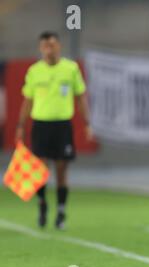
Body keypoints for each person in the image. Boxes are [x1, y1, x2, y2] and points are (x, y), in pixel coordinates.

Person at [16, 31, 93, 230]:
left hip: (62, 126)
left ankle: (60, 212)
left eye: (52, 45)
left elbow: (81, 96)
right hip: (41, 125)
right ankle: (42, 204)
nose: (49, 49)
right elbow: (27, 100)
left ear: (59, 46)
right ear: (41, 49)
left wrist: (87, 123)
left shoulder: (71, 68)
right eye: (45, 46)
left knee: (61, 170)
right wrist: (20, 126)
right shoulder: (34, 71)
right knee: (40, 170)